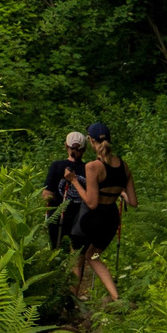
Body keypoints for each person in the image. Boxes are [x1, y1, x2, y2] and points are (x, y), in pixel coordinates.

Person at [65, 120, 137, 302]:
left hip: (91, 221)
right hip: (110, 221)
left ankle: (70, 303)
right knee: (93, 256)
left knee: (77, 258)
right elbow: (133, 202)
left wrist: (74, 181)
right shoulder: (124, 166)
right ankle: (116, 297)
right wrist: (117, 191)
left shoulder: (93, 166)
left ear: (90, 141)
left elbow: (91, 203)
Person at [43, 131, 87, 250]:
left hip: (58, 216)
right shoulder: (88, 168)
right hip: (79, 218)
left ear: (66, 146)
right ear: (84, 149)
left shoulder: (57, 165)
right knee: (78, 253)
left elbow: (47, 194)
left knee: (55, 250)